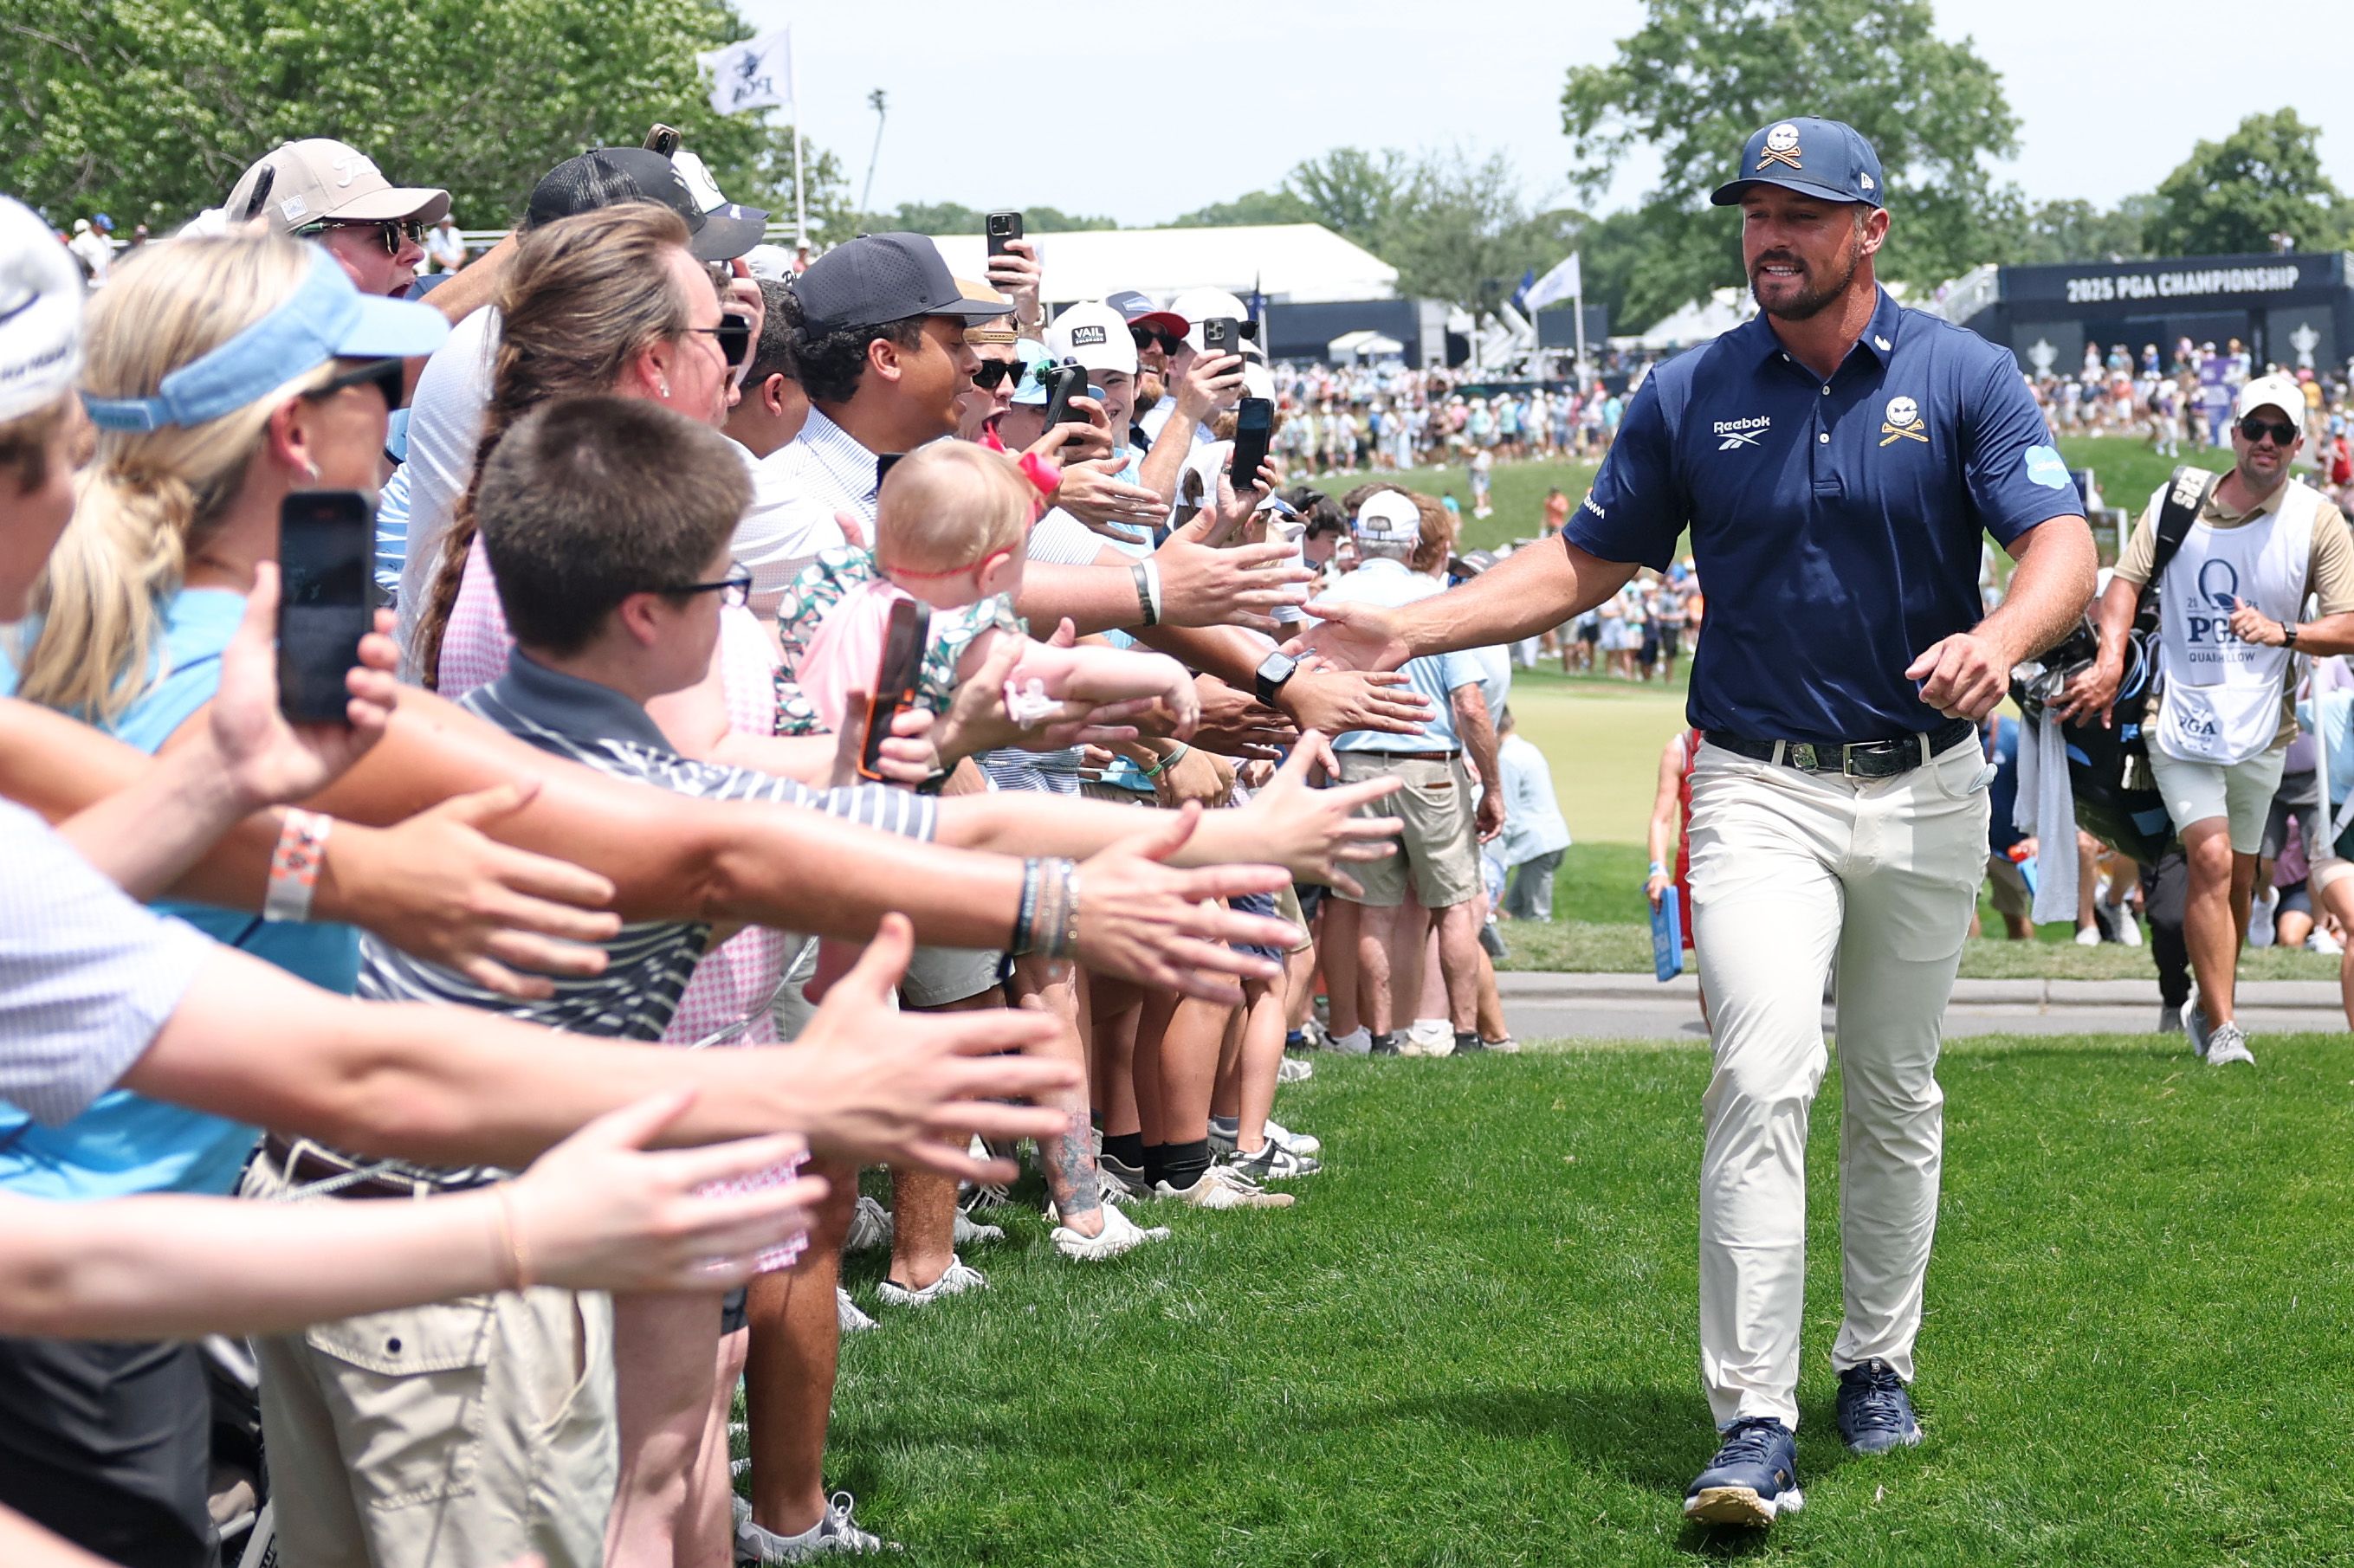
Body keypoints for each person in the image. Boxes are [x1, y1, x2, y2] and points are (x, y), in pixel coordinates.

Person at [1297, 116, 2095, 1527]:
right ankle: (1752, 1421)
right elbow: (1585, 559)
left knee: (1895, 1093)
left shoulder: (1961, 374)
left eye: (1795, 213)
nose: (1765, 237)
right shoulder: (1685, 391)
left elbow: (2059, 545)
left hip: (1925, 787)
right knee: (1761, 1072)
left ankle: (1873, 1361)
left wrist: (2004, 636)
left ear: (1868, 230)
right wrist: (1402, 627)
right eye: (1751, 213)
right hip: (1753, 783)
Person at [2062, 373, 2354, 1067]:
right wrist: (2108, 661)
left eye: (2281, 433)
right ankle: (2224, 1030)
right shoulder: (2180, 501)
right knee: (2212, 858)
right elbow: (2125, 582)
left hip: (2262, 727)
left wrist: (2283, 633)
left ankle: (2208, 1004)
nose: (2267, 443)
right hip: (2180, 715)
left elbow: (2346, 625)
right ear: (2235, 433)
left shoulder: (2317, 519)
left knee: (2243, 876)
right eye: (2256, 427)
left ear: (2299, 444)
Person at [1314, 490, 1500, 1057]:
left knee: (1374, 909)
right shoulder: (1433, 598)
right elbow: (1468, 703)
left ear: (1358, 537)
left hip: (1356, 764)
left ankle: (1381, 1036)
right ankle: (1463, 1033)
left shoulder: (1332, 595)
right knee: (1453, 903)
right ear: (1413, 542)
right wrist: (1492, 785)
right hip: (1430, 767)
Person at [222, 139, 449, 300]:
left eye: (411, 230)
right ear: (297, 259)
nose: (416, 254)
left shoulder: (412, 302)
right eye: (386, 234)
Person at [1493, 706, 1569, 920]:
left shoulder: (1506, 759)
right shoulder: (1528, 749)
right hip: (1549, 838)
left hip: (1537, 843)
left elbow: (1505, 812)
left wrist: (1496, 858)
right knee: (1516, 907)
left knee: (1536, 914)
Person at [424, 210, 468, 274]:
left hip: (457, 265)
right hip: (441, 267)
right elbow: (435, 255)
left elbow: (463, 253)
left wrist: (455, 265)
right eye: (443, 222)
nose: (445, 224)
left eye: (447, 222)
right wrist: (450, 266)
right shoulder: (435, 233)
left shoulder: (455, 232)